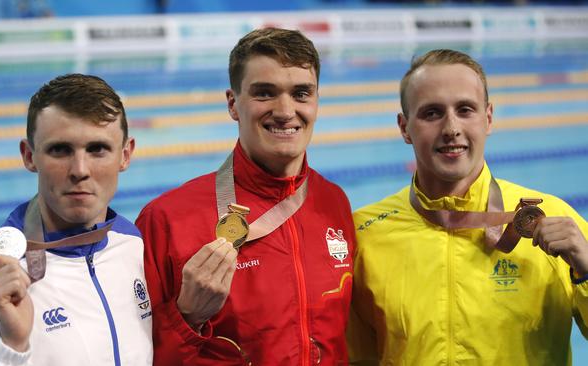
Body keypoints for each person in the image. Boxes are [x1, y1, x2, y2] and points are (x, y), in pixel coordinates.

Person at [347, 49, 588, 365]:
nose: (451, 128)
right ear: (404, 127)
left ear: (487, 118)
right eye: (432, 113)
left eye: (465, 110)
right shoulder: (364, 234)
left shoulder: (557, 219)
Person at [136, 27, 356, 365]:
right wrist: (186, 318)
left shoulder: (334, 203)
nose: (285, 111)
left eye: (301, 93)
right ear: (232, 104)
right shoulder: (167, 220)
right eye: (265, 93)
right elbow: (136, 354)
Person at [0, 74, 152, 365]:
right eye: (60, 150)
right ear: (29, 156)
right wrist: (10, 346)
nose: (80, 170)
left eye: (97, 149)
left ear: (125, 155)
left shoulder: (132, 242)